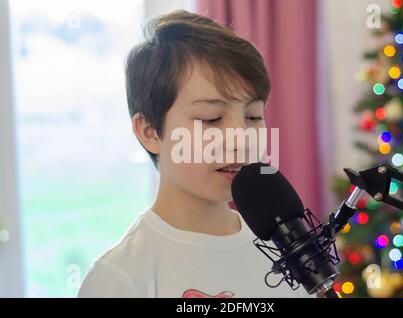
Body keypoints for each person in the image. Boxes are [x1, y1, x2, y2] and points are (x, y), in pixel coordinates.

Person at [78, 9, 310, 298]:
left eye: (252, 116)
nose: (240, 141)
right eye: (211, 119)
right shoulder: (119, 280)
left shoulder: (287, 259)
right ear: (149, 131)